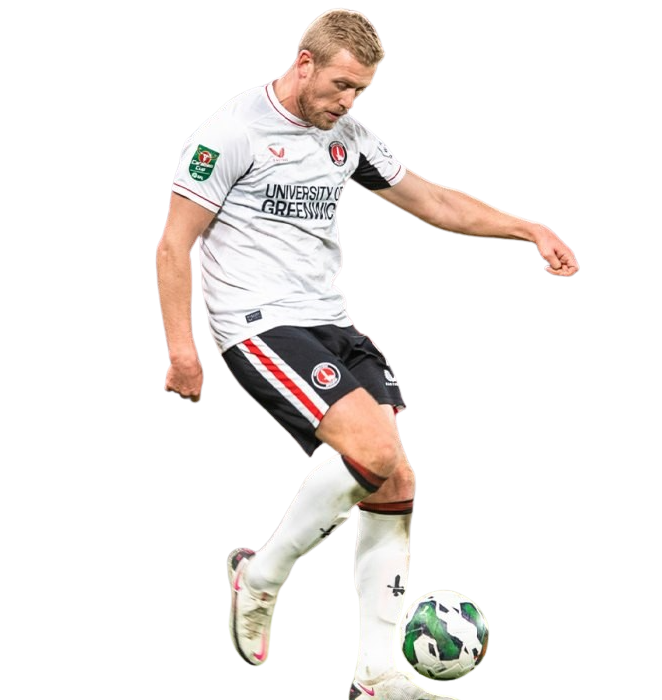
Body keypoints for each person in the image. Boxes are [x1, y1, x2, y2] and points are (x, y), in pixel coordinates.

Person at [156, 8, 579, 699]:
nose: (349, 102)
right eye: (342, 86)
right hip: (258, 323)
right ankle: (260, 577)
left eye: (361, 91)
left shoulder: (346, 137)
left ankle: (376, 675)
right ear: (305, 63)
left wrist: (528, 229)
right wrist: (183, 348)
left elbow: (432, 200)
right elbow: (175, 244)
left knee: (396, 481)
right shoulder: (229, 132)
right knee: (376, 455)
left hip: (330, 321)